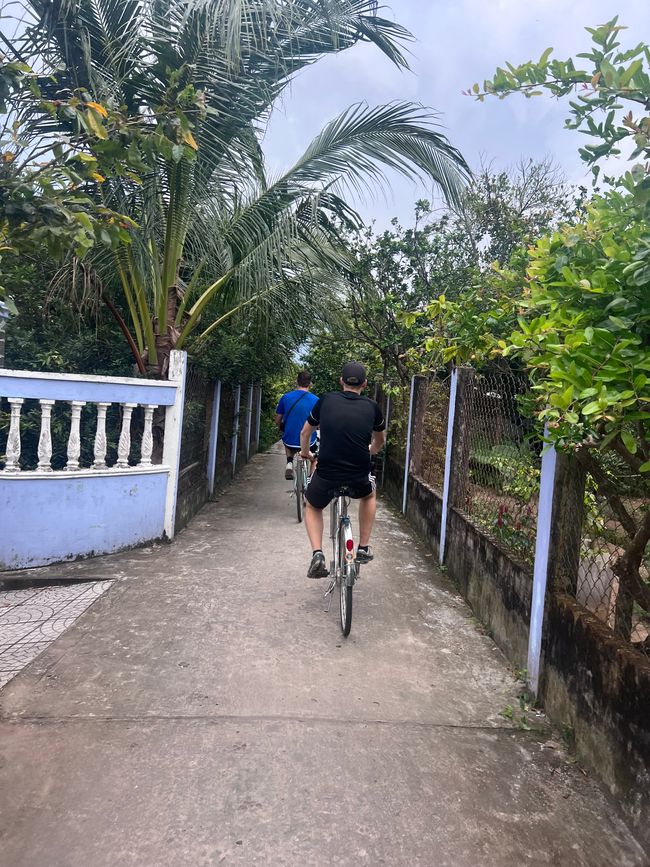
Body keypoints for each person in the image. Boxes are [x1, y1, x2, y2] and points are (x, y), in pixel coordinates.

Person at [299, 361, 386, 578]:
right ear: (364, 384)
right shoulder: (372, 407)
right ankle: (363, 547)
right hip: (358, 473)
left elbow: (305, 433)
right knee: (369, 495)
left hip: (327, 472)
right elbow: (380, 440)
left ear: (341, 382)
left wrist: (305, 454)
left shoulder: (325, 401)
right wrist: (370, 450)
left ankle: (317, 553)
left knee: (312, 505)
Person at [275, 371, 319, 480]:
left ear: (296, 382)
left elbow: (278, 419)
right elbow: (319, 422)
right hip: (309, 442)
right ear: (310, 384)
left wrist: (280, 427)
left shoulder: (285, 397)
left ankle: (289, 462)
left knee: (286, 440)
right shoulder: (316, 400)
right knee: (315, 459)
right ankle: (310, 480)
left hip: (290, 441)